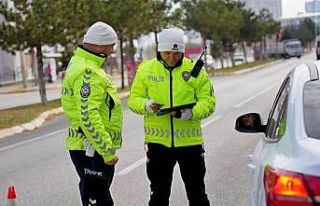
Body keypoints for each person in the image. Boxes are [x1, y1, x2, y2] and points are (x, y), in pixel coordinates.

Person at [127, 28, 216, 206]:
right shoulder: (145, 70)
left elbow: (208, 101)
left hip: (190, 144)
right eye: (167, 53)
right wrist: (147, 105)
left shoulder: (194, 71)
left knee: (197, 193)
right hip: (158, 145)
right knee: (158, 195)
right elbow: (133, 100)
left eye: (177, 53)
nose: (172, 57)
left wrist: (191, 113)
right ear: (159, 50)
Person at [61, 21, 123, 206]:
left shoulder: (79, 62)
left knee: (97, 197)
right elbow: (88, 116)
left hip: (87, 146)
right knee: (97, 200)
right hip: (92, 148)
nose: (112, 50)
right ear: (99, 44)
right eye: (110, 45)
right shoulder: (89, 72)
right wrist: (106, 150)